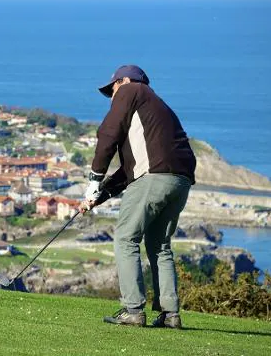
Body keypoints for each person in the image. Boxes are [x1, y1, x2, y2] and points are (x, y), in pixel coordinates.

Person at [81, 64, 196, 329]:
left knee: (125, 238)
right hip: (180, 181)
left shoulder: (131, 89)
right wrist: (99, 195)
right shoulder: (157, 109)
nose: (112, 96)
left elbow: (108, 134)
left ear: (122, 81)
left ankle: (132, 309)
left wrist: (93, 180)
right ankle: (170, 315)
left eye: (112, 89)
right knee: (160, 245)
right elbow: (129, 170)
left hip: (154, 178)